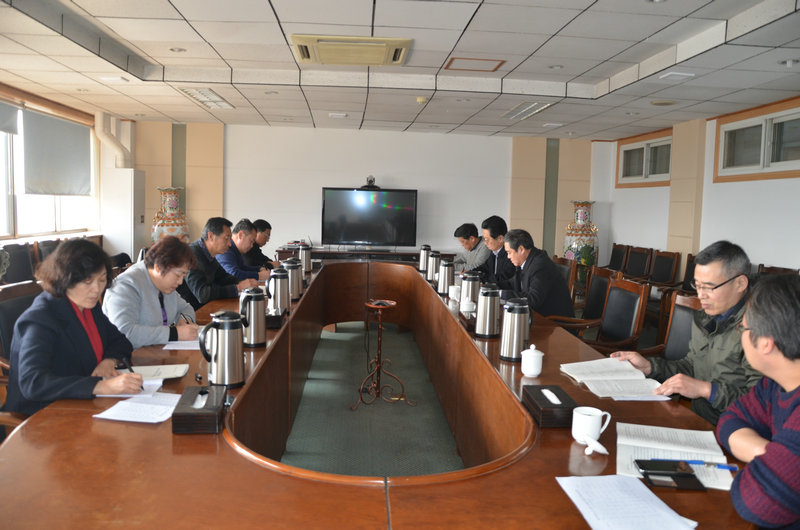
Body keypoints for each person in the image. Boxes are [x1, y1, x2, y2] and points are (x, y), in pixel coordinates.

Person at [611, 240, 762, 425]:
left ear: (740, 283)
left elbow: (760, 405)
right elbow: (691, 366)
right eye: (697, 285)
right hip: (697, 419)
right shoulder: (704, 318)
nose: (700, 295)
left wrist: (706, 390)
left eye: (709, 287)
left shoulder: (759, 329)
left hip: (736, 430)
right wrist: (650, 367)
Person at [2, 239, 142, 417]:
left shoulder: (88, 307)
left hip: (81, 404)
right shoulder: (40, 319)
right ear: (65, 278)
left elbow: (120, 342)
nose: (96, 289)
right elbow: (33, 383)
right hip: (40, 415)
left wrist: (108, 361)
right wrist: (99, 386)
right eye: (87, 281)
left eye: (101, 280)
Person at [716, 274, 800, 528]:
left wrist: (781, 465)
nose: (740, 335)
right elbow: (730, 419)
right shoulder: (774, 384)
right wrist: (776, 457)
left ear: (765, 343)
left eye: (743, 328)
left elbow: (757, 501)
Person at [103, 236, 199, 349]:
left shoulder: (165, 284)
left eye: (183, 276)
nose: (180, 282)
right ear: (158, 267)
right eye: (178, 275)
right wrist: (175, 333)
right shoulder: (126, 285)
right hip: (128, 356)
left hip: (156, 352)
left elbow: (186, 308)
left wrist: (184, 320)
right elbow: (125, 332)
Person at [177, 217, 258, 310]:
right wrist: (237, 288)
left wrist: (244, 282)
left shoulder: (209, 254)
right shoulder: (192, 255)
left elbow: (223, 277)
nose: (230, 244)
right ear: (211, 236)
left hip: (206, 307)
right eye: (226, 238)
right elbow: (202, 294)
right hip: (190, 313)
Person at [504, 229, 574, 318]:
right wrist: (495, 288)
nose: (508, 256)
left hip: (555, 321)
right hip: (539, 315)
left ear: (521, 249)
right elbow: (513, 283)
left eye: (509, 252)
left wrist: (504, 294)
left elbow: (533, 300)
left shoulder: (540, 265)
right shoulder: (527, 260)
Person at [469, 215, 516, 288]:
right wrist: (471, 273)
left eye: (487, 239)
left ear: (500, 239)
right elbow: (485, 268)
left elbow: (502, 278)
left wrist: (482, 279)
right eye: (484, 239)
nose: (485, 243)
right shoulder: (494, 251)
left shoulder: (511, 255)